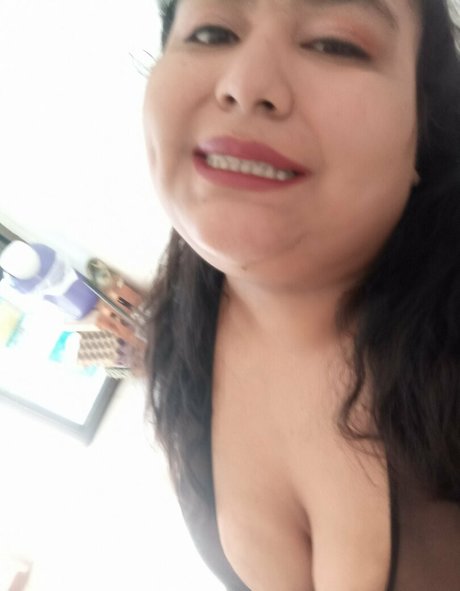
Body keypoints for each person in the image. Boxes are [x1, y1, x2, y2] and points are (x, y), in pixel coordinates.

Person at [142, 0, 460, 589]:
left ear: (425, 127)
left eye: (336, 44)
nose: (245, 84)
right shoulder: (174, 332)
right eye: (211, 33)